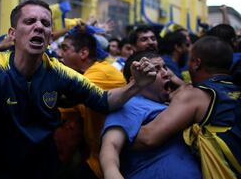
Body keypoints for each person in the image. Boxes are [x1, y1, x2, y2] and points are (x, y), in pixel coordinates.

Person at [0, 0, 157, 179]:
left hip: (44, 169)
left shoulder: (58, 71)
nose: (38, 26)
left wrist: (135, 85)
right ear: (12, 34)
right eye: (29, 22)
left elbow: (105, 100)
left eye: (45, 24)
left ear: (50, 37)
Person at [132, 36, 241, 178]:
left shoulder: (196, 95)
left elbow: (147, 138)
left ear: (196, 63)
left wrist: (113, 133)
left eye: (190, 59)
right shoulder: (236, 89)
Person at [100, 50, 201, 179]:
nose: (166, 73)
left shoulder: (170, 104)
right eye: (156, 69)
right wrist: (112, 174)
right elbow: (111, 146)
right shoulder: (130, 105)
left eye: (165, 67)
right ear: (135, 79)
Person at [57, 31, 127, 179]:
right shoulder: (86, 75)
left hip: (112, 162)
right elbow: (61, 110)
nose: (59, 53)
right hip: (96, 157)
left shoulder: (101, 73)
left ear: (83, 53)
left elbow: (63, 98)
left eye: (64, 48)